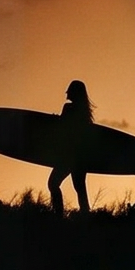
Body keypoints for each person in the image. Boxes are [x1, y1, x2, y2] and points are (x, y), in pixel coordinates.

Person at [48, 80, 94, 215]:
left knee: (53, 183)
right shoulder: (85, 113)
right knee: (80, 188)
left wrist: (55, 121)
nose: (67, 92)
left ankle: (58, 214)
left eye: (69, 90)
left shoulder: (68, 108)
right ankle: (86, 215)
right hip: (81, 157)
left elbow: (63, 128)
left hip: (69, 156)